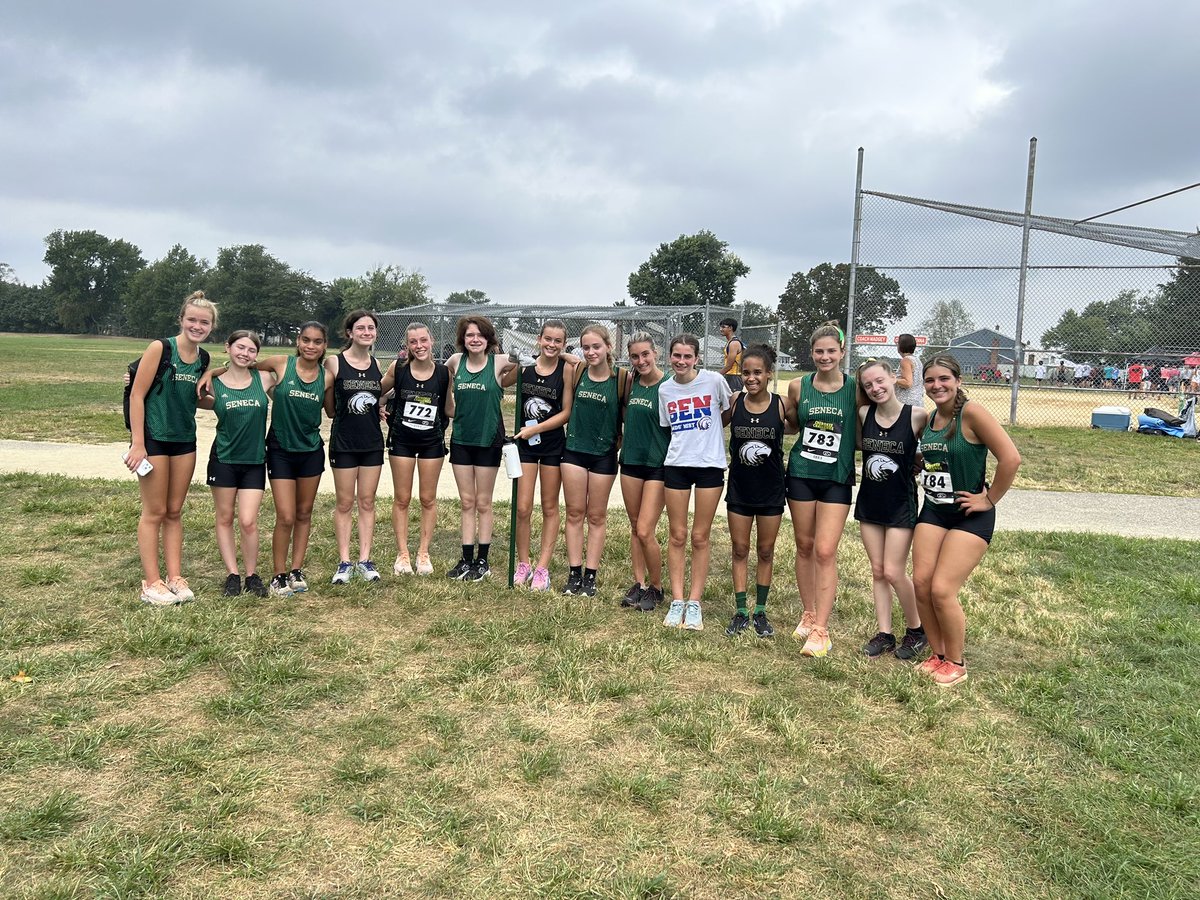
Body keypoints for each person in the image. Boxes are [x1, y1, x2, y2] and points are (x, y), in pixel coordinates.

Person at [913, 355, 1021, 687]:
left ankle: (956, 663)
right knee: (921, 584)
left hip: (970, 515)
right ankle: (938, 654)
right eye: (930, 380)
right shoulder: (931, 419)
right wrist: (922, 463)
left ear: (957, 380)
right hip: (933, 510)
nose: (937, 386)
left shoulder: (971, 414)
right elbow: (936, 458)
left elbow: (1011, 458)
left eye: (943, 379)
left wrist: (988, 499)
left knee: (943, 589)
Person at [199, 322, 328, 597]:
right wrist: (213, 370)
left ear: (324, 345)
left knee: (292, 515)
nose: (311, 345)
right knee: (282, 516)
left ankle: (292, 570)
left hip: (300, 452)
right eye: (306, 339)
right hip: (271, 450)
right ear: (298, 340)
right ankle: (259, 575)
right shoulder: (280, 365)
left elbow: (334, 408)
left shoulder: (324, 376)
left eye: (317, 341)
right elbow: (244, 367)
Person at [124, 291, 218, 606]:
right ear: (181, 319)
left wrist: (216, 385)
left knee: (175, 511)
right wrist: (138, 443)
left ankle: (175, 577)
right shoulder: (160, 348)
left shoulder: (204, 358)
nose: (197, 326)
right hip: (153, 438)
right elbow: (137, 395)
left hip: (184, 440)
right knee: (155, 511)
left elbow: (198, 399)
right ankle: (151, 582)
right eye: (192, 319)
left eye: (204, 322)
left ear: (211, 327)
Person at [785, 321, 857, 656]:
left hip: (836, 478)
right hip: (801, 472)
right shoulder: (799, 387)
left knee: (825, 551)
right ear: (811, 353)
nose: (825, 356)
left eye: (831, 350)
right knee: (804, 545)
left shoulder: (855, 389)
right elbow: (793, 425)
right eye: (819, 351)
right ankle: (809, 612)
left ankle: (822, 630)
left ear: (842, 352)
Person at [854, 359, 929, 659]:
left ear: (893, 378)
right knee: (877, 570)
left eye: (880, 381)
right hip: (870, 501)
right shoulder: (863, 413)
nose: (875, 388)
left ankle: (917, 630)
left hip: (901, 503)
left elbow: (933, 449)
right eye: (868, 385)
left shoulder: (917, 416)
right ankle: (885, 633)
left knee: (894, 571)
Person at [659, 333, 733, 630]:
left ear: (697, 358)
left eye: (687, 356)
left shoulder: (714, 381)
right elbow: (670, 427)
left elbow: (726, 412)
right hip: (676, 465)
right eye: (676, 355)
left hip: (710, 466)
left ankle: (695, 602)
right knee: (677, 534)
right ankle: (677, 601)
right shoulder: (665, 389)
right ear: (670, 356)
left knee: (700, 536)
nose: (681, 361)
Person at [723, 345, 790, 639]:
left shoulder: (782, 405)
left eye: (757, 373)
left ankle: (760, 611)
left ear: (768, 374)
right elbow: (713, 422)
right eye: (746, 372)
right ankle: (740, 611)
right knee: (739, 549)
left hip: (772, 489)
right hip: (740, 487)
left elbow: (803, 429)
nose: (751, 378)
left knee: (765, 551)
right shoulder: (735, 401)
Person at [504, 320, 577, 591]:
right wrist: (512, 360)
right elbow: (501, 380)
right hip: (525, 446)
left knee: (549, 507)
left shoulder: (566, 371)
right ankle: (523, 563)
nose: (552, 345)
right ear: (538, 339)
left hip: (552, 445)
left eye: (558, 341)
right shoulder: (525, 369)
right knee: (522, 507)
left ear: (563, 343)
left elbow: (566, 412)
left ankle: (542, 568)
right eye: (548, 339)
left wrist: (537, 427)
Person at [445, 315, 517, 581]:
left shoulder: (498, 362)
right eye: (469, 335)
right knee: (467, 502)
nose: (475, 340)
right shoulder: (455, 362)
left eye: (480, 335)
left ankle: (482, 560)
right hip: (462, 438)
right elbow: (445, 395)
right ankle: (466, 559)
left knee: (483, 502)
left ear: (488, 339)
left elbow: (528, 363)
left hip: (488, 439)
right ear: (463, 339)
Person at [325, 309, 393, 585]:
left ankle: (365, 560)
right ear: (350, 333)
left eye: (371, 328)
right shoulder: (334, 362)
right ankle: (344, 562)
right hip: (343, 442)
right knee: (344, 503)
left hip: (372, 443)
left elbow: (379, 395)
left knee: (367, 502)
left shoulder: (379, 365)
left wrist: (381, 404)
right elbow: (329, 408)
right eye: (361, 328)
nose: (367, 332)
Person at [205, 331, 272, 597]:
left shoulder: (264, 379)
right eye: (239, 348)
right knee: (225, 518)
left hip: (254, 460)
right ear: (228, 348)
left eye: (251, 350)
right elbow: (185, 396)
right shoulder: (213, 383)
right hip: (223, 458)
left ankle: (252, 575)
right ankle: (233, 574)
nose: (245, 353)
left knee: (248, 521)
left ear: (257, 354)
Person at [560, 324, 625, 597]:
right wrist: (566, 355)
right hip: (574, 450)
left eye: (596, 346)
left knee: (596, 516)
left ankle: (590, 575)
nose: (590, 352)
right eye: (585, 347)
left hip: (604, 455)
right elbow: (559, 357)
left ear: (608, 347)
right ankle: (574, 573)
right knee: (575, 514)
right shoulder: (576, 372)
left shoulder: (622, 379)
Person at [383, 322, 451, 577]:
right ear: (407, 345)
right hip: (401, 439)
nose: (419, 346)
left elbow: (449, 408)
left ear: (431, 340)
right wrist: (380, 403)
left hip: (432, 440)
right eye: (413, 342)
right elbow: (377, 390)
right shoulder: (398, 368)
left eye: (423, 340)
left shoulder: (443, 373)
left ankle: (424, 552)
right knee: (402, 498)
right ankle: (403, 554)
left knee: (427, 499)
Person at [618, 332, 670, 612]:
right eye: (635, 356)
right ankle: (638, 584)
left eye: (645, 354)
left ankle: (657, 587)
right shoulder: (630, 382)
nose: (641, 361)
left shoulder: (669, 385)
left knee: (645, 530)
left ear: (656, 353)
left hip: (658, 465)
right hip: (630, 462)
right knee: (634, 526)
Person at [894, 334, 924, 407]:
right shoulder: (917, 360)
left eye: (898, 344)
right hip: (917, 400)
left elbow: (907, 383)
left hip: (906, 402)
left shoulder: (905, 360)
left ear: (902, 346)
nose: (897, 346)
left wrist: (892, 379)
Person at [718, 318, 744, 392]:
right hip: (730, 375)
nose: (720, 329)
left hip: (734, 377)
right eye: (720, 327)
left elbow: (729, 366)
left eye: (723, 327)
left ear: (730, 328)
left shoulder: (734, 343)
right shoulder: (730, 342)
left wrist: (716, 375)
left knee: (733, 401)